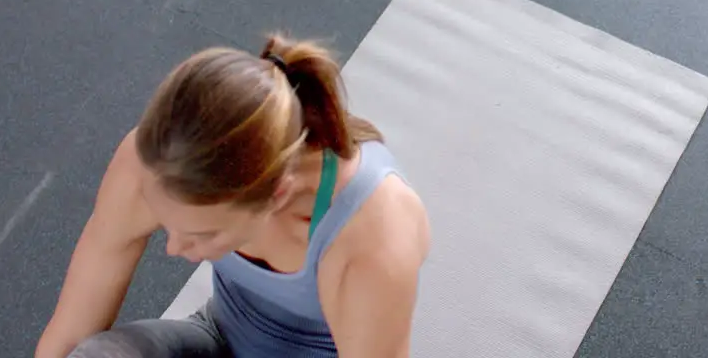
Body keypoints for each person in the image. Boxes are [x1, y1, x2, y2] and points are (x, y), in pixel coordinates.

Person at [35, 35, 431, 358]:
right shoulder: (152, 161)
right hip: (219, 338)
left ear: (277, 194)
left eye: (203, 234)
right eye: (168, 225)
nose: (174, 247)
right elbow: (69, 334)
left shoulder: (371, 237)